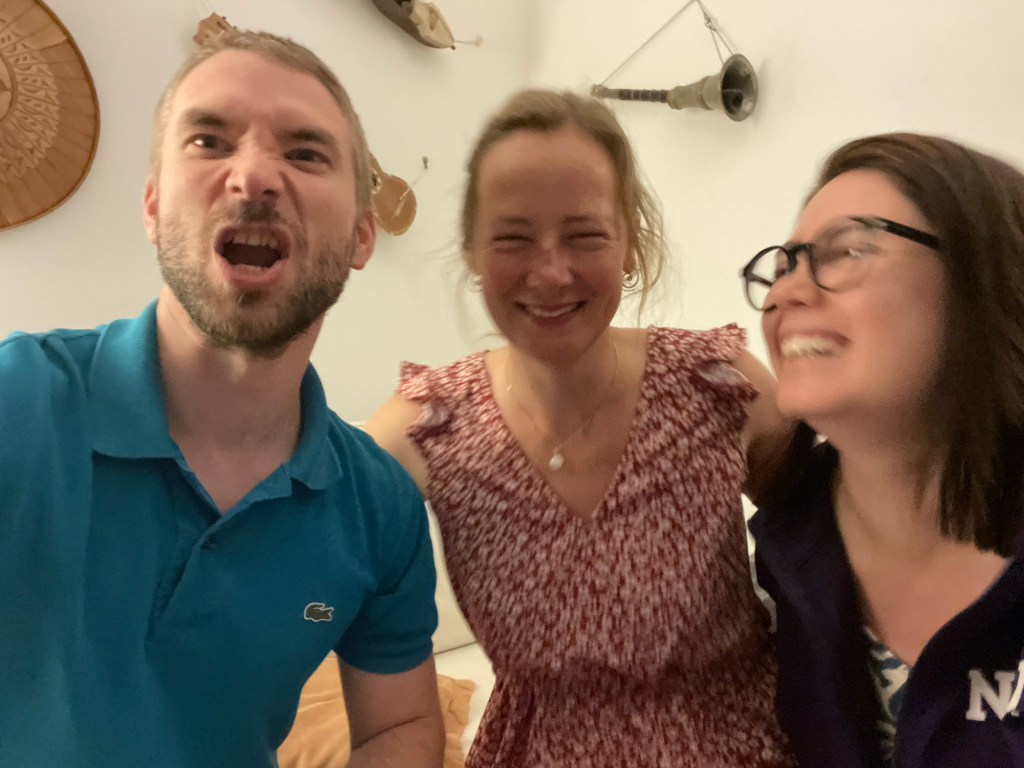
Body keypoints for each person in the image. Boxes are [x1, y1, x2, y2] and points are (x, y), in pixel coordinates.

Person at [0, 30, 444, 768]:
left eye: (306, 153)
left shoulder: (381, 508)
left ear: (362, 236)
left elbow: (399, 726)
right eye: (209, 141)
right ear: (152, 206)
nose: (255, 176)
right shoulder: (16, 403)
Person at [365, 88, 796, 767]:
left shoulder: (720, 387)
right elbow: (301, 577)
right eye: (513, 238)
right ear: (473, 252)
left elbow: (836, 545)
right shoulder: (429, 428)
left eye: (585, 235)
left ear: (629, 245)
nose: (550, 272)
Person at [742, 132, 1024, 767]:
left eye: (847, 250)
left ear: (982, 276)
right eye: (782, 267)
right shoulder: (786, 554)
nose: (784, 294)